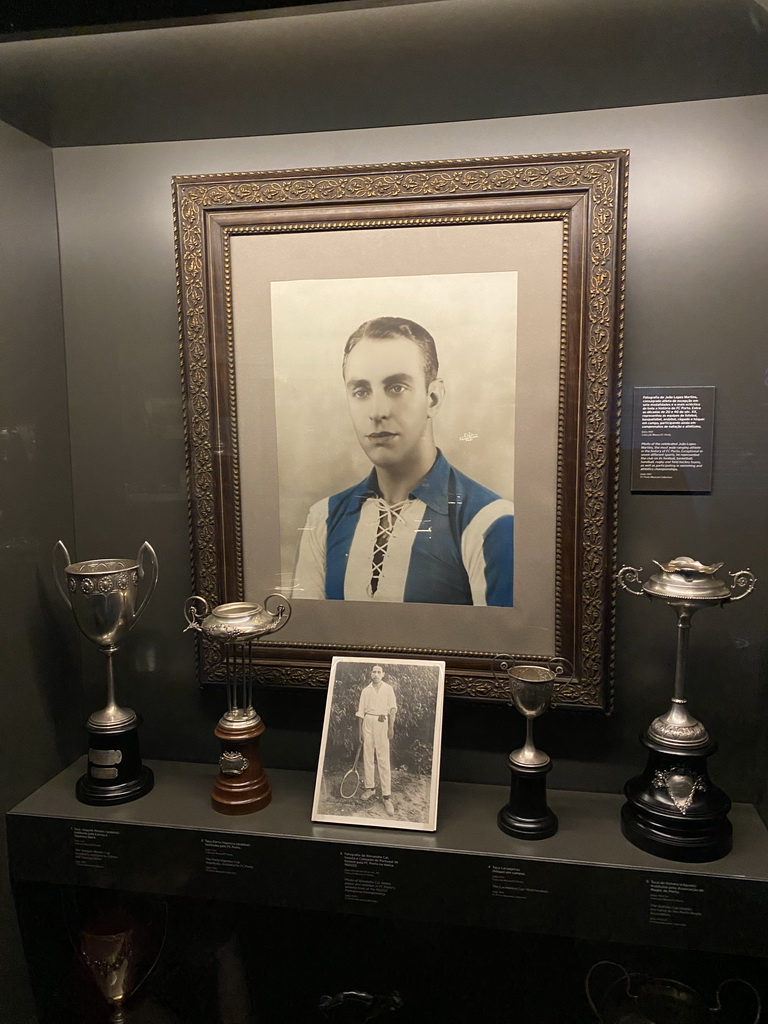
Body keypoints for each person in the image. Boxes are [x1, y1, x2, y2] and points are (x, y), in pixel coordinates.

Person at [292, 316, 514, 605]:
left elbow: (499, 647)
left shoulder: (490, 523)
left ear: (432, 398)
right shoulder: (323, 518)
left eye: (396, 387)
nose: (377, 411)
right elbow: (308, 641)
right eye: (361, 391)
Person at [356, 664, 397, 815]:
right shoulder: (366, 691)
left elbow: (392, 709)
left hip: (382, 723)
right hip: (368, 722)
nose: (376, 674)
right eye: (374, 672)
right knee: (368, 757)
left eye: (379, 672)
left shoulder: (388, 689)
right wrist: (360, 730)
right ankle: (370, 788)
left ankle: (387, 796)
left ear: (383, 674)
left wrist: (391, 727)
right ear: (371, 674)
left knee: (383, 758)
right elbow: (360, 712)